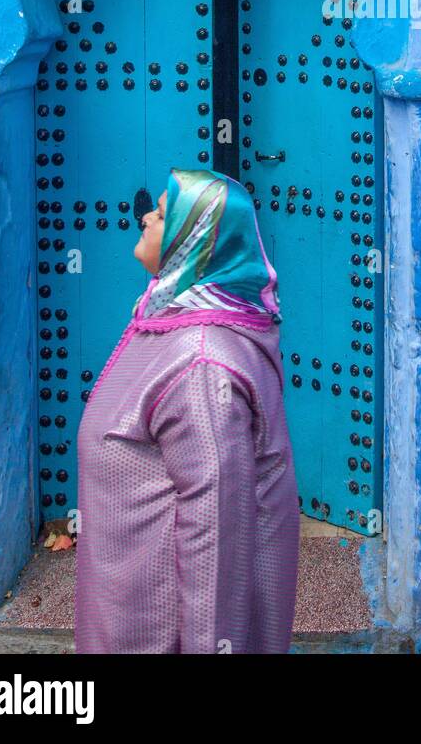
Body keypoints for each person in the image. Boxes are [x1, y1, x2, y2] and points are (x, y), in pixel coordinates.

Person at [75, 167, 299, 653]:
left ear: (193, 240)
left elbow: (216, 529)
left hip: (160, 630)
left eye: (160, 214)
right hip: (130, 612)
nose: (146, 219)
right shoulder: (170, 316)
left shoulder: (201, 365)